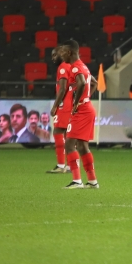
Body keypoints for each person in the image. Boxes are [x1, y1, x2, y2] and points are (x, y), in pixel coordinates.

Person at [61, 39, 99, 189]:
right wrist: (86, 99)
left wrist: (77, 103)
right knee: (83, 146)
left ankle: (77, 181)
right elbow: (94, 83)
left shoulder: (76, 68)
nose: (62, 55)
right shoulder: (84, 66)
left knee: (69, 144)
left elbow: (82, 83)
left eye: (63, 52)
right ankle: (92, 181)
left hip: (82, 110)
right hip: (87, 108)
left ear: (70, 52)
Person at [47, 44, 74, 174]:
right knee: (68, 135)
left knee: (58, 132)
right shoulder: (71, 66)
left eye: (54, 54)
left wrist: (55, 106)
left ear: (62, 55)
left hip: (64, 106)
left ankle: (61, 165)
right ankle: (69, 166)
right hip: (70, 104)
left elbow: (62, 89)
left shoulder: (62, 67)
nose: (52, 57)